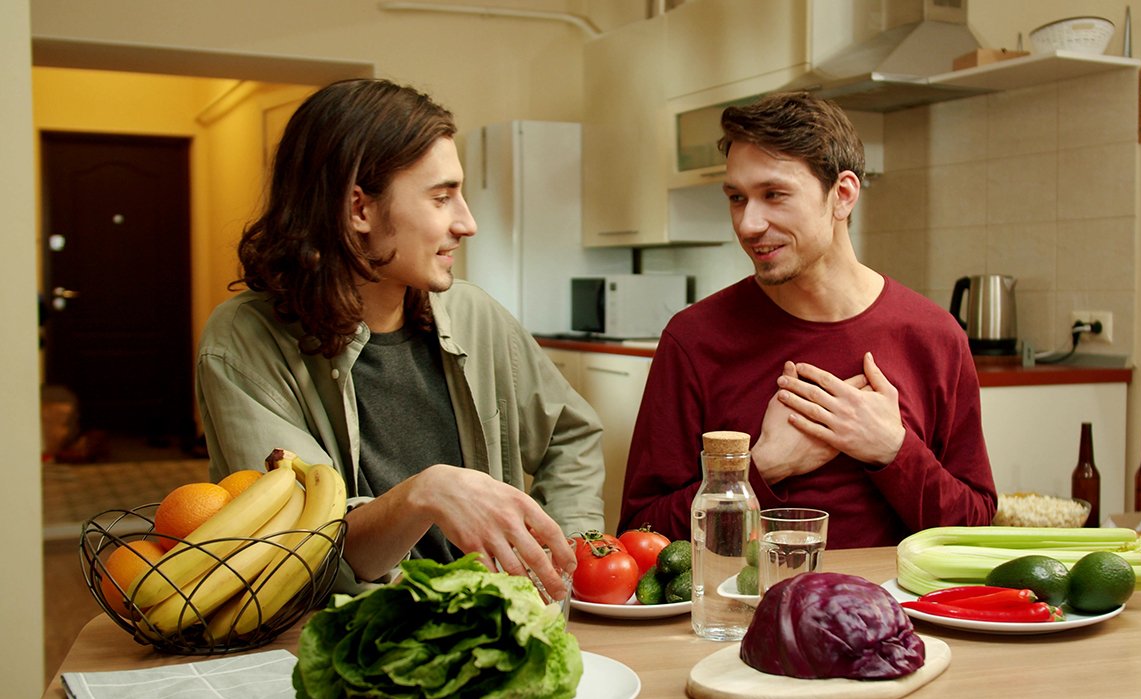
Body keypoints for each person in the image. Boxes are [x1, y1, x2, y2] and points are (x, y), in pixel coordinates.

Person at [196, 78, 605, 598]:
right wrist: (424, 494)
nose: (468, 223)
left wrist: (563, 554)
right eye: (442, 198)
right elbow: (300, 552)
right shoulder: (242, 343)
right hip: (347, 635)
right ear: (359, 210)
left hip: (495, 625)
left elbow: (570, 436)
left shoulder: (476, 315)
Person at [619, 92, 996, 548]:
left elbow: (975, 529)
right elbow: (640, 532)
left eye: (774, 195)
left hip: (892, 596)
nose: (748, 224)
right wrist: (760, 468)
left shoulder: (935, 336)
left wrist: (893, 451)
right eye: (737, 198)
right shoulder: (694, 339)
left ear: (842, 195)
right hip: (749, 595)